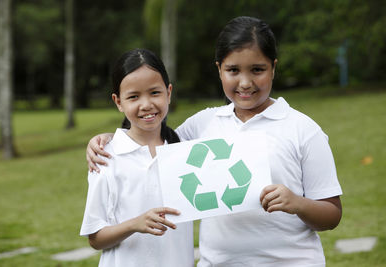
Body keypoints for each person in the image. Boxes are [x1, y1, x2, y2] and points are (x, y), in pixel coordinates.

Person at [86, 16, 342, 267]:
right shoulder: (203, 125)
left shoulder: (302, 130)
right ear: (219, 69)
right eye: (233, 70)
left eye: (257, 70)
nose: (245, 82)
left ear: (273, 67)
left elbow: (331, 214)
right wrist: (108, 140)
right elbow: (153, 137)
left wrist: (298, 203)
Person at [80, 48, 194, 267]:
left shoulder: (184, 153)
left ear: (169, 92)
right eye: (133, 96)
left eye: (154, 93)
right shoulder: (105, 158)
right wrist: (134, 224)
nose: (146, 105)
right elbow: (95, 238)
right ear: (118, 101)